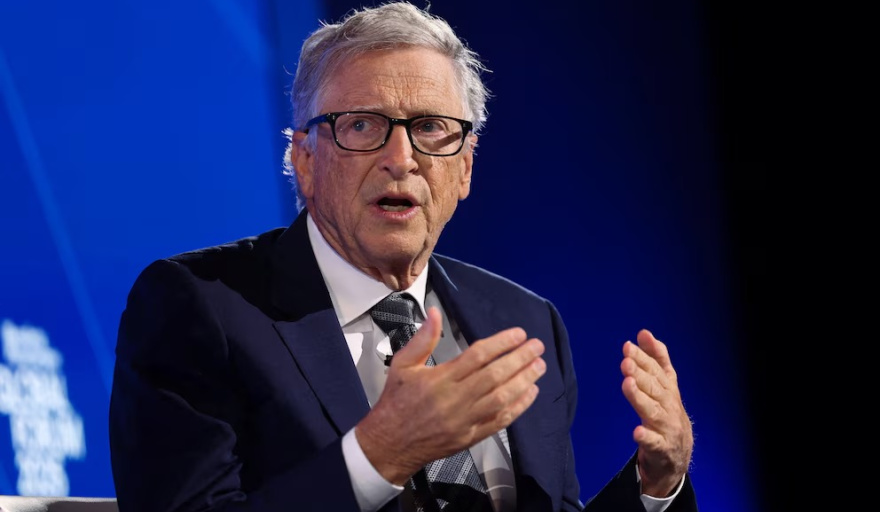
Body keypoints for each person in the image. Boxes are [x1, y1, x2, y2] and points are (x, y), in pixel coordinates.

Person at [108, 2, 697, 511]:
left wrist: (656, 484)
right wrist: (381, 453)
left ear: (465, 168)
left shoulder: (524, 322)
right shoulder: (201, 309)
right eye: (362, 125)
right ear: (304, 161)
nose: (401, 157)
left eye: (431, 127)